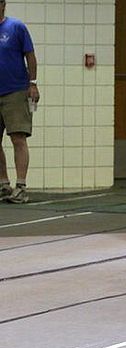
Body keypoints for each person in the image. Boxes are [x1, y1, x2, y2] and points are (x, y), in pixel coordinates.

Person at [0, 0, 40, 204]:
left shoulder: (16, 27)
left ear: (3, 4)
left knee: (18, 138)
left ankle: (21, 186)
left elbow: (30, 56)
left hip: (15, 91)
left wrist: (32, 83)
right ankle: (3, 185)